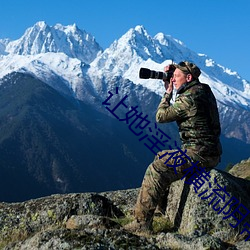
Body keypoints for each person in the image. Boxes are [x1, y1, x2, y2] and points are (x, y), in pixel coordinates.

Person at [124, 61, 222, 233]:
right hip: (211, 152)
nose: (173, 79)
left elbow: (161, 117)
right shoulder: (203, 90)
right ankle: (161, 209)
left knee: (157, 168)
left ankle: (141, 224)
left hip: (198, 154)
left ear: (189, 78)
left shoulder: (188, 99)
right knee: (162, 157)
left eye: (177, 77)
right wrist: (175, 72)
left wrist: (167, 93)